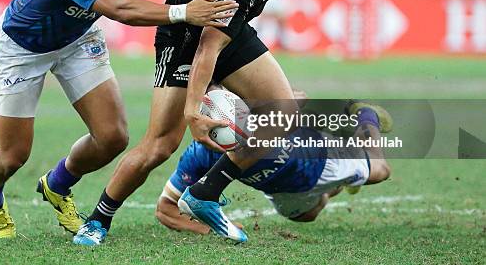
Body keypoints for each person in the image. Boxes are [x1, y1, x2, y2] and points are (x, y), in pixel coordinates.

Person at [74, 0, 329, 245]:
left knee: (282, 111)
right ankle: (97, 221)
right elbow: (207, 47)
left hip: (230, 29)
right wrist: (194, 110)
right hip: (190, 36)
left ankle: (204, 193)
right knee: (160, 144)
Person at [0, 0, 238, 239]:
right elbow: (122, 10)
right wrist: (185, 12)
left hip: (77, 40)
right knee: (12, 157)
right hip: (22, 48)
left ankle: (57, 186)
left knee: (113, 137)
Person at [155, 100, 393, 234]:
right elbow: (165, 209)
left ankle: (365, 114)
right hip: (281, 189)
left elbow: (293, 102)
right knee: (307, 215)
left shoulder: (264, 118)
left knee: (381, 169)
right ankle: (344, 183)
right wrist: (210, 230)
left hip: (319, 159)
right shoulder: (200, 154)